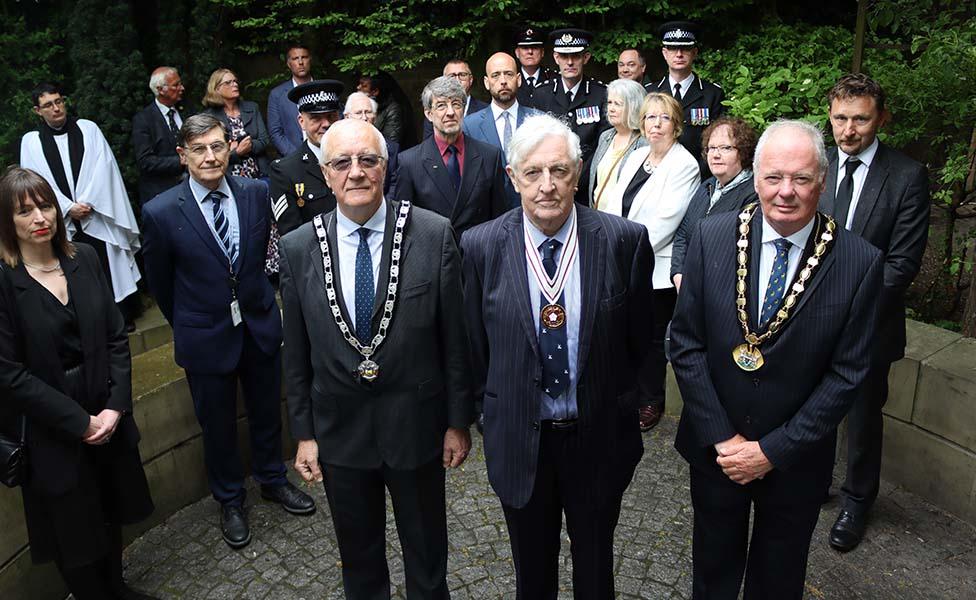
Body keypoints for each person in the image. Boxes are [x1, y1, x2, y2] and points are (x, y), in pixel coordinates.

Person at [670, 120, 883, 599]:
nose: (785, 192)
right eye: (773, 177)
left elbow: (847, 374)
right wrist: (725, 440)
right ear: (756, 174)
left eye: (801, 179)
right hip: (717, 451)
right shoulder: (711, 237)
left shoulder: (858, 262)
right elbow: (685, 344)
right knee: (712, 571)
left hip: (795, 462)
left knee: (778, 580)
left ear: (822, 182)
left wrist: (771, 452)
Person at [460, 114, 654, 599]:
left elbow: (644, 341)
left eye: (559, 171)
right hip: (521, 440)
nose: (546, 186)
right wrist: (489, 412)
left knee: (595, 568)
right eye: (533, 172)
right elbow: (473, 344)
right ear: (513, 177)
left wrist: (629, 408)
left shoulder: (623, 240)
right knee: (532, 572)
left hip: (598, 437)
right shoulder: (480, 246)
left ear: (578, 171)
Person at [281, 118, 474, 599]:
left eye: (368, 160)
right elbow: (296, 352)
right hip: (339, 433)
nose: (356, 172)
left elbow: (456, 340)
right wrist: (303, 433)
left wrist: (457, 422)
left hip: (417, 427)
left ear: (386, 167)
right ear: (326, 174)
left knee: (428, 557)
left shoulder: (433, 234)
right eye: (342, 162)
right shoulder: (298, 247)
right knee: (359, 559)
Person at [141, 114, 314, 550]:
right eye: (199, 149)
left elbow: (257, 262)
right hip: (205, 336)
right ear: (182, 156)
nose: (210, 156)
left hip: (257, 324)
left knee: (265, 412)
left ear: (229, 147)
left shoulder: (255, 193)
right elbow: (162, 285)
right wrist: (194, 319)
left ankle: (274, 479)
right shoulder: (161, 213)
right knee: (216, 425)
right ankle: (231, 499)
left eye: (217, 145)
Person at [0, 167, 155, 600]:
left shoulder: (84, 257)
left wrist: (115, 407)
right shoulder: (5, 282)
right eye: (24, 211)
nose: (39, 218)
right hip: (53, 429)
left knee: (110, 508)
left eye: (45, 205)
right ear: (6, 222)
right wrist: (79, 422)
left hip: (105, 414)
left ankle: (117, 588)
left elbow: (114, 337)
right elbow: (8, 374)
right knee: (72, 529)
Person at [820, 73, 930, 552]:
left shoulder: (905, 175)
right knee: (812, 406)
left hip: (869, 325)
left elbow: (901, 265)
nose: (849, 130)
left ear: (880, 118)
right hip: (807, 318)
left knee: (863, 419)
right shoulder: (816, 164)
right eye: (841, 118)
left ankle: (858, 501)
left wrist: (843, 309)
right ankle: (812, 481)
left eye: (860, 119)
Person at [600, 93, 699, 431]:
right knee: (623, 333)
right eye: (649, 118)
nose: (656, 124)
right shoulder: (637, 155)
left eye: (664, 118)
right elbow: (613, 201)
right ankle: (627, 394)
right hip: (621, 259)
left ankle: (650, 400)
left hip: (655, 268)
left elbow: (666, 221)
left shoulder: (685, 165)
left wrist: (622, 249)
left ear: (677, 125)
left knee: (653, 340)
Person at [20, 82, 143, 331]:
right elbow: (36, 180)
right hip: (62, 221)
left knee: (107, 265)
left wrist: (87, 202)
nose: (56, 108)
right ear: (37, 110)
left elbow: (103, 168)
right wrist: (67, 207)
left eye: (59, 101)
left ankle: (120, 316)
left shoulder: (88, 129)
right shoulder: (31, 142)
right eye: (48, 105)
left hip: (97, 213)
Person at [397, 76, 508, 241]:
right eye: (441, 105)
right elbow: (404, 227)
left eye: (456, 104)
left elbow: (499, 220)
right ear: (428, 113)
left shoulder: (489, 156)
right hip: (434, 259)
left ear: (463, 109)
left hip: (478, 258)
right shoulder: (409, 162)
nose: (450, 112)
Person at [671, 117, 759, 290]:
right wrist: (678, 273)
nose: (716, 155)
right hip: (688, 287)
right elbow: (683, 233)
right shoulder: (707, 186)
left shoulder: (753, 194)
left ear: (743, 151)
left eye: (725, 148)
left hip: (724, 292)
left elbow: (736, 252)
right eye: (711, 148)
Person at [530, 28, 609, 204]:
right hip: (550, 183)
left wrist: (580, 177)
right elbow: (534, 141)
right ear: (556, 58)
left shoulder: (600, 94)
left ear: (586, 57)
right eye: (565, 57)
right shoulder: (542, 94)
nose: (570, 62)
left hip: (588, 183)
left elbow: (604, 143)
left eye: (576, 56)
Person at [645, 21, 725, 174]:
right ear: (664, 53)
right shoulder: (649, 92)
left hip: (698, 174)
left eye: (685, 49)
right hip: (656, 173)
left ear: (695, 52)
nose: (679, 54)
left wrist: (697, 174)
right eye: (673, 48)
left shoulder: (712, 94)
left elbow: (715, 142)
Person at [463, 52, 541, 207]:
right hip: (488, 213)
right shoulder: (468, 126)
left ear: (518, 79)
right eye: (496, 75)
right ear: (486, 82)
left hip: (532, 208)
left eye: (508, 74)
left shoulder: (539, 121)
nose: (503, 81)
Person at [268, 80, 343, 237]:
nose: (326, 124)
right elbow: (292, 236)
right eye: (316, 118)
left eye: (331, 116)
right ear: (302, 122)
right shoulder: (285, 171)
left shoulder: (355, 161)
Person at [202, 69, 272, 179]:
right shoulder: (208, 117)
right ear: (217, 89)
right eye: (228, 82)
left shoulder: (252, 108)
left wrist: (247, 146)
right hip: (228, 177)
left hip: (260, 174)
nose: (234, 84)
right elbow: (211, 153)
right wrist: (237, 153)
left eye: (235, 81)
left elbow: (264, 140)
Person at [588, 78, 648, 209]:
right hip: (598, 215)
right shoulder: (605, 137)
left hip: (622, 222)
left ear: (634, 107)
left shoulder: (644, 143)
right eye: (610, 102)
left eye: (618, 104)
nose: (611, 109)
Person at [131, 66, 186, 205]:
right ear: (161, 90)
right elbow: (145, 161)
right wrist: (180, 161)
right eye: (176, 85)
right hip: (162, 193)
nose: (182, 88)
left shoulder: (186, 111)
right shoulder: (144, 119)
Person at [343, 91, 400, 197]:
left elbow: (394, 185)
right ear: (347, 117)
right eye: (359, 113)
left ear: (375, 116)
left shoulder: (391, 148)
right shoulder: (337, 147)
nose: (364, 117)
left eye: (368, 112)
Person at [422, 59, 489, 139]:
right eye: (452, 76)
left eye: (462, 75)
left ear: (470, 80)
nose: (457, 80)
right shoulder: (434, 112)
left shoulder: (486, 110)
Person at [267, 42, 313, 157]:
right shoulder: (277, 95)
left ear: (310, 60)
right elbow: (275, 132)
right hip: (292, 158)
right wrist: (295, 157)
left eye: (304, 57)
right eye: (295, 58)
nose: (300, 62)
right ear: (289, 64)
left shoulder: (324, 89)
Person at [366, 72, 419, 148]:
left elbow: (391, 143)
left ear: (375, 91)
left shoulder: (394, 109)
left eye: (364, 86)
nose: (358, 87)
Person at [513, 26, 556, 107]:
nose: (530, 52)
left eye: (535, 48)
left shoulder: (554, 79)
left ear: (542, 52)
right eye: (525, 48)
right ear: (517, 53)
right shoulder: (511, 80)